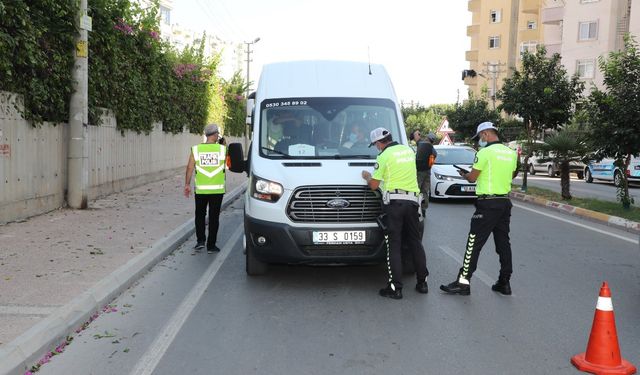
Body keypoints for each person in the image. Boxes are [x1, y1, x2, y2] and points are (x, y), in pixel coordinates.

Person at [440, 121, 519, 296]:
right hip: (504, 203)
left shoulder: (484, 153)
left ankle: (463, 283)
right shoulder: (511, 153)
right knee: (503, 243)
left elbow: (473, 178)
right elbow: (513, 173)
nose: (479, 141)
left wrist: (465, 174)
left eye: (480, 137)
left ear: (485, 134)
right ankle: (504, 282)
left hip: (487, 204)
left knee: (473, 244)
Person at [361, 127, 429, 300]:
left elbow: (375, 185)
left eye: (375, 144)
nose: (376, 147)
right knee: (415, 242)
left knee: (394, 245)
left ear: (378, 142)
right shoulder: (408, 150)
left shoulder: (384, 156)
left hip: (395, 205)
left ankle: (395, 288)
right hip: (413, 203)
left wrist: (368, 176)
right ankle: (422, 283)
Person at [184, 124, 227, 254]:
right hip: (217, 190)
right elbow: (226, 162)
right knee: (214, 218)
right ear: (215, 135)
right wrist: (223, 142)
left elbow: (190, 168)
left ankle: (200, 242)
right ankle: (211, 246)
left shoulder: (196, 149)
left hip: (201, 190)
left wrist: (187, 184)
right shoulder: (222, 149)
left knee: (200, 215)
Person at [409, 130, 437, 211]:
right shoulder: (432, 149)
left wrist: (417, 133)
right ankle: (424, 208)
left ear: (427, 138)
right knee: (425, 190)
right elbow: (432, 160)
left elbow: (416, 135)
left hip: (419, 171)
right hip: (427, 171)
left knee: (416, 189)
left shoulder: (422, 144)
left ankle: (415, 207)